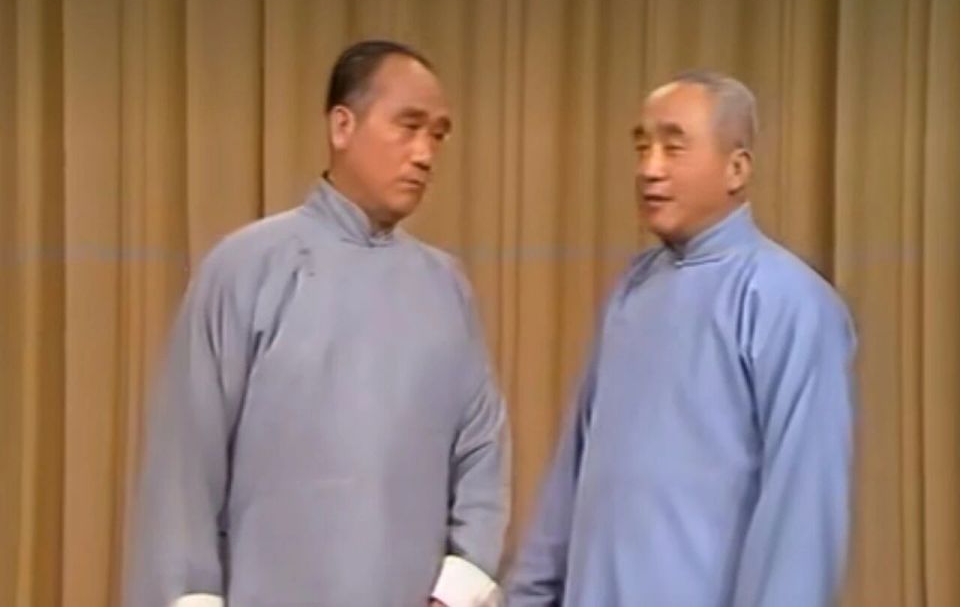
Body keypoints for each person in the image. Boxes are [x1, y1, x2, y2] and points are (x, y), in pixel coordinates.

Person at [126, 40, 509, 607]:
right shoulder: (245, 269)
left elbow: (482, 450)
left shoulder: (446, 288)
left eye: (437, 135)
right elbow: (186, 469)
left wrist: (457, 589)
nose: (425, 153)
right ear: (342, 126)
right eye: (408, 127)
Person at [507, 71, 857, 606]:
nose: (649, 168)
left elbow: (803, 514)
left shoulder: (788, 301)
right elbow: (571, 475)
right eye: (642, 147)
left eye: (673, 147)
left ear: (737, 168)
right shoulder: (633, 289)